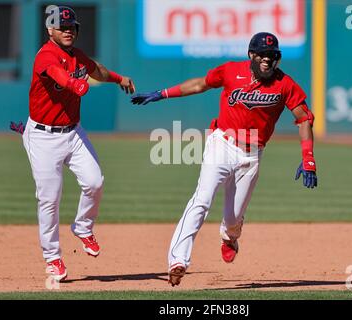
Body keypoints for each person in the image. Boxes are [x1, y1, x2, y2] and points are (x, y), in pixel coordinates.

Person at [131, 32, 317, 287]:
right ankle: (178, 260)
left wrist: (308, 158)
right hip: (222, 143)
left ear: (278, 58)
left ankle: (229, 237)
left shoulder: (285, 84)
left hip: (252, 153)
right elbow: (199, 84)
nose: (266, 59)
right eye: (261, 54)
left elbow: (304, 117)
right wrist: (163, 93)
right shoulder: (231, 71)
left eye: (271, 55)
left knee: (233, 219)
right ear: (251, 54)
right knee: (202, 199)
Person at [21, 5, 135, 281]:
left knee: (95, 181)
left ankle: (83, 227)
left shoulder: (77, 56)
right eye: (62, 27)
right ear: (50, 30)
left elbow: (97, 71)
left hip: (73, 132)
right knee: (49, 199)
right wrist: (74, 85)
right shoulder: (46, 55)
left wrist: (119, 79)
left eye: (72, 27)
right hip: (43, 137)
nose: (68, 31)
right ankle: (53, 258)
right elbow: (59, 76)